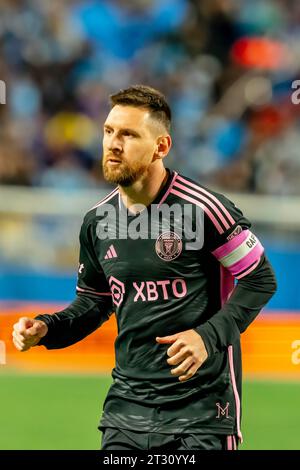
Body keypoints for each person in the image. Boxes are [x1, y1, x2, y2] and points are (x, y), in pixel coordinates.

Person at [12, 85, 277, 451]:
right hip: (126, 412)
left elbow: (260, 278)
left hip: (201, 415)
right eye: (108, 131)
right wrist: (48, 328)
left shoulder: (204, 210)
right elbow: (94, 302)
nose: (113, 143)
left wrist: (207, 336)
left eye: (128, 134)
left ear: (161, 147)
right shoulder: (97, 221)